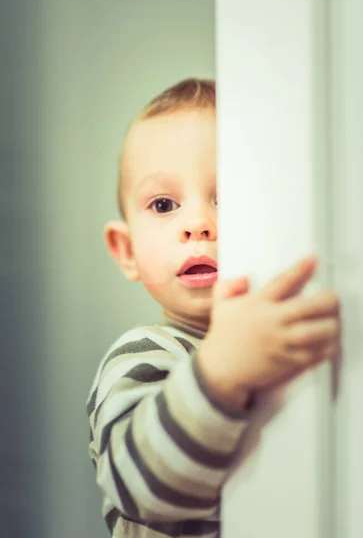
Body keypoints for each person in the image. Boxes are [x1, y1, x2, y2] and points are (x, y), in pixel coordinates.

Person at [86, 78, 341, 537]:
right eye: (164, 204)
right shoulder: (145, 354)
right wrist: (220, 372)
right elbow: (134, 487)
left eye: (228, 197)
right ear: (125, 250)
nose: (198, 224)